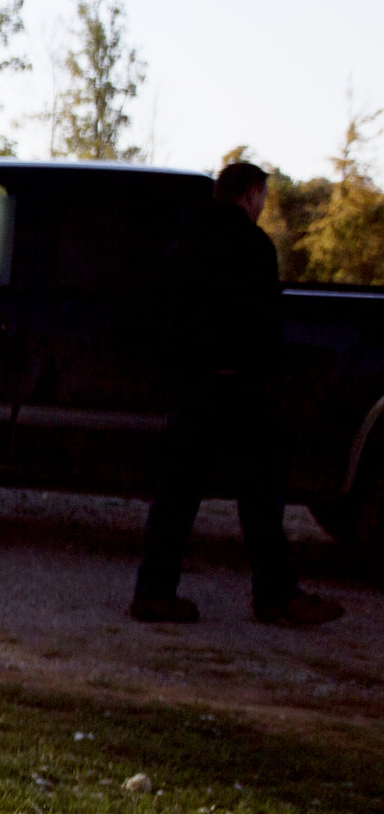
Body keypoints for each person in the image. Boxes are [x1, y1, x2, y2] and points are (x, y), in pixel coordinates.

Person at [132, 160, 344, 628]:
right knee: (261, 495)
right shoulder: (252, 246)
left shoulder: (181, 246)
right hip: (243, 387)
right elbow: (264, 324)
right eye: (262, 196)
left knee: (178, 493)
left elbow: (162, 317)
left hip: (194, 386)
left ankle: (153, 591)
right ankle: (275, 595)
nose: (263, 205)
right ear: (250, 193)